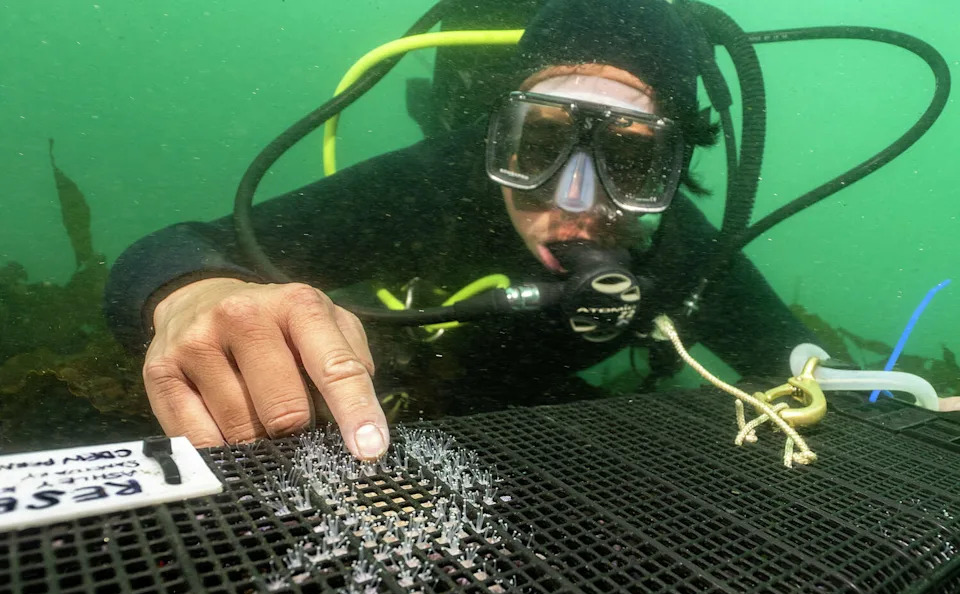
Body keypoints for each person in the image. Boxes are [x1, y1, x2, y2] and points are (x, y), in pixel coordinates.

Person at [104, 0, 845, 460]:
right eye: (542, 142)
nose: (577, 199)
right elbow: (171, 249)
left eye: (630, 155)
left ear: (677, 167)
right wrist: (191, 297)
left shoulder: (683, 252)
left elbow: (817, 373)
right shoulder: (436, 185)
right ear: (498, 135)